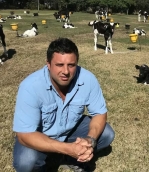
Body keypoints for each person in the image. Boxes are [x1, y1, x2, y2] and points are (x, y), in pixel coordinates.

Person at [12, 37, 115, 172]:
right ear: (48, 64)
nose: (66, 71)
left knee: (107, 134)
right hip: (40, 135)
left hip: (70, 130)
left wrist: (90, 140)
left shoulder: (87, 79)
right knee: (26, 162)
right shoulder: (30, 86)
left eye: (71, 65)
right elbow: (24, 135)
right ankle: (49, 160)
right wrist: (67, 149)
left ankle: (70, 159)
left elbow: (99, 113)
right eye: (59, 65)